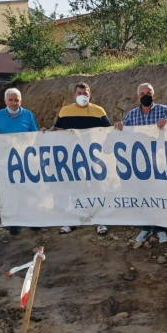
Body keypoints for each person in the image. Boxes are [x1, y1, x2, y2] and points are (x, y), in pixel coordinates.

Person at [114, 83, 167, 244]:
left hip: (159, 161)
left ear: (154, 95)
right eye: (142, 93)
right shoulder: (132, 114)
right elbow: (123, 133)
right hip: (139, 164)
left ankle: (160, 228)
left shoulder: (163, 110)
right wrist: (119, 126)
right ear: (138, 97)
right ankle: (145, 228)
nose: (145, 95)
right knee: (141, 195)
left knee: (158, 194)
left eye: (148, 92)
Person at [51, 82, 112, 236]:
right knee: (73, 188)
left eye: (85, 93)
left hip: (94, 159)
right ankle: (72, 220)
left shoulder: (99, 111)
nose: (82, 96)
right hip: (72, 158)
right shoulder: (65, 111)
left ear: (90, 95)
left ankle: (100, 220)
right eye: (79, 93)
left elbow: (109, 132)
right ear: (74, 94)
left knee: (96, 188)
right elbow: (57, 130)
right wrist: (45, 132)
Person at [0, 87, 39, 235]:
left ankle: (33, 220)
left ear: (21, 101)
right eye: (11, 100)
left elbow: (35, 134)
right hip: (7, 160)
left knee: (29, 189)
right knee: (12, 191)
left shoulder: (28, 115)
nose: (14, 103)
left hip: (26, 159)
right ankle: (15, 222)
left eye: (16, 100)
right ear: (5, 101)